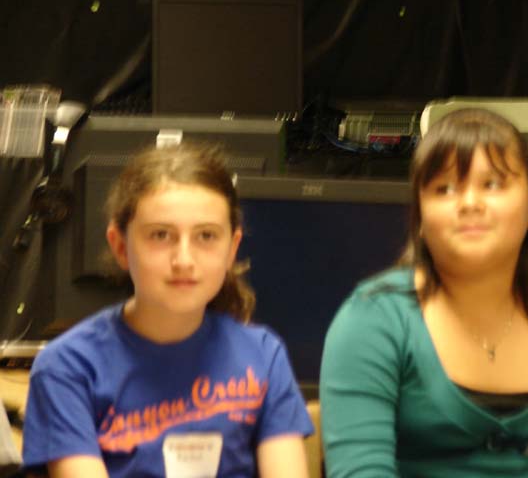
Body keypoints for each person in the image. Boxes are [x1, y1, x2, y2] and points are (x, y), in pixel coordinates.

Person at [320, 108, 528, 477]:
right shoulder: (372, 321)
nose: (470, 202)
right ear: (420, 219)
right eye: (445, 188)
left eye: (493, 184)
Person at [22, 143, 313, 478]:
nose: (184, 260)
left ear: (232, 248)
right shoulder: (67, 367)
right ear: (120, 246)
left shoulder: (263, 355)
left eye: (206, 236)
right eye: (161, 235)